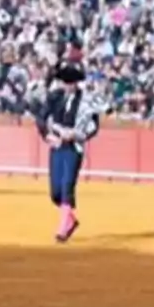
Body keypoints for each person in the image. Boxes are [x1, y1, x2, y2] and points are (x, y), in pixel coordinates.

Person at [36, 55, 102, 243]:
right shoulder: (55, 96)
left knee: (67, 186)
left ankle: (62, 229)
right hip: (57, 145)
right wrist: (47, 135)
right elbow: (41, 117)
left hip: (73, 147)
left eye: (71, 82)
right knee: (55, 192)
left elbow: (94, 126)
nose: (68, 85)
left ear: (77, 83)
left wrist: (76, 135)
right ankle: (70, 220)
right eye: (65, 81)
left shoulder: (86, 101)